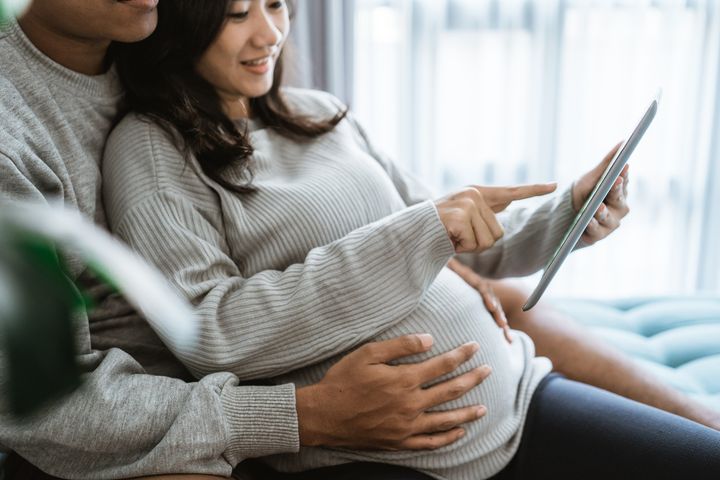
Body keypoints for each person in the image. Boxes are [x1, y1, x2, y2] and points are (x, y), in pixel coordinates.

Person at [103, 1, 720, 479]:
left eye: (276, 5)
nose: (269, 33)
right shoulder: (152, 150)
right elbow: (213, 333)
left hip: (521, 395)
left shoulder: (315, 112)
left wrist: (570, 216)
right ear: (181, 22)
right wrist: (421, 233)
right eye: (237, 15)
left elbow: (464, 240)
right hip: (389, 459)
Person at [0, 1, 493, 479]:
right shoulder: (19, 133)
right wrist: (300, 415)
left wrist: (430, 255)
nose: (267, 33)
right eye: (237, 13)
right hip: (135, 427)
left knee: (522, 310)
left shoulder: (147, 43)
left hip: (244, 386)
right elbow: (40, 399)